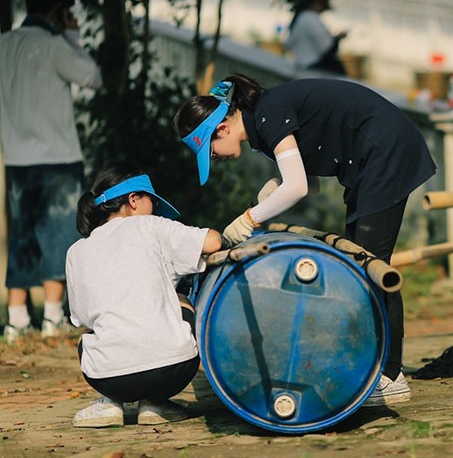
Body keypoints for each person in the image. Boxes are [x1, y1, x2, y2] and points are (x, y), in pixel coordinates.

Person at [174, 75, 436, 406]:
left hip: (384, 149)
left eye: (210, 152)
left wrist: (251, 218)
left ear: (223, 129)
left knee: (373, 266)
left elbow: (296, 187)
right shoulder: (261, 125)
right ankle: (370, 365)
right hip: (366, 161)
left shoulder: (268, 114)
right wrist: (273, 190)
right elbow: (309, 183)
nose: (215, 158)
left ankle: (390, 375)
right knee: (358, 266)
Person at [67, 163, 223, 428]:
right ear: (133, 200)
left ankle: (110, 404)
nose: (154, 208)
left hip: (108, 378)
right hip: (172, 370)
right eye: (152, 201)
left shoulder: (76, 251)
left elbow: (80, 318)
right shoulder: (149, 225)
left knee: (91, 331)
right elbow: (213, 242)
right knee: (180, 298)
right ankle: (155, 403)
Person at [0, 0, 102, 344]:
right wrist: (73, 38)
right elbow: (93, 78)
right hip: (58, 156)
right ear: (58, 10)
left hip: (17, 157)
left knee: (23, 235)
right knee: (59, 234)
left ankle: (16, 320)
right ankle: (53, 316)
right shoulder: (54, 45)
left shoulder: (4, 43)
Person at [283, 0, 347, 75]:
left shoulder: (302, 17)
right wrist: (338, 38)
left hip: (304, 67)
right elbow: (326, 48)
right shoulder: (311, 18)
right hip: (314, 69)